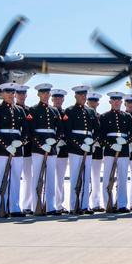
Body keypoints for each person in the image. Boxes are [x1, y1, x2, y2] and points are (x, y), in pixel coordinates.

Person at [0, 82, 28, 217]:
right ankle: (2, 206)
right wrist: (6, 146)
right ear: (2, 94)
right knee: (1, 178)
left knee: (17, 178)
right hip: (1, 149)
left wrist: (20, 142)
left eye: (12, 92)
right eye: (8, 92)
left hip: (17, 149)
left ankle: (15, 207)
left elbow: (26, 131)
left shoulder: (20, 110)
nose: (11, 95)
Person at [27, 83, 61, 215]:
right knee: (37, 177)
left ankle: (50, 206)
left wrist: (54, 142)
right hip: (38, 148)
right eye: (43, 93)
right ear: (38, 94)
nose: (46, 95)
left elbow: (60, 131)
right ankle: (37, 205)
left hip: (51, 149)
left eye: (47, 93)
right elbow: (31, 131)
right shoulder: (33, 110)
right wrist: (41, 144)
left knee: (51, 178)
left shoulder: (54, 111)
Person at [99, 92, 132, 213]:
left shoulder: (127, 116)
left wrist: (125, 142)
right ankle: (107, 203)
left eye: (118, 100)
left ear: (121, 102)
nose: (116, 102)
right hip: (110, 150)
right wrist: (111, 144)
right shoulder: (104, 117)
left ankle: (122, 204)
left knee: (123, 178)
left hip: (124, 150)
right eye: (114, 100)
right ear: (110, 102)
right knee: (107, 177)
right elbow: (101, 135)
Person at [65, 85, 98, 215]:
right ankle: (74, 205)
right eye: (80, 95)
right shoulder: (70, 111)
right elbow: (68, 132)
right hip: (75, 149)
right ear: (75, 96)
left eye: (84, 95)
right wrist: (79, 144)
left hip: (88, 148)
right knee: (75, 177)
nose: (83, 97)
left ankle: (84, 205)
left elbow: (97, 129)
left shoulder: (90, 111)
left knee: (86, 178)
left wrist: (92, 140)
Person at [14, 84, 34, 214]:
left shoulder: (30, 110)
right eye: (19, 93)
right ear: (15, 95)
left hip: (27, 149)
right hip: (13, 149)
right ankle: (12, 205)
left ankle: (27, 205)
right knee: (14, 178)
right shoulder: (12, 109)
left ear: (26, 95)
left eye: (23, 93)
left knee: (28, 178)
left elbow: (31, 129)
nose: (21, 96)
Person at [51, 89, 70, 213]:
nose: (58, 100)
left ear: (63, 100)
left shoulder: (66, 113)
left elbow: (69, 129)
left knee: (60, 179)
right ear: (52, 99)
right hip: (49, 148)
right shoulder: (49, 111)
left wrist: (64, 141)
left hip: (63, 149)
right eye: (55, 98)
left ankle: (59, 204)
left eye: (60, 98)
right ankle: (48, 203)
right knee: (49, 177)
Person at [86, 92, 105, 212]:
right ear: (87, 102)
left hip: (97, 149)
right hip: (85, 148)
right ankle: (85, 203)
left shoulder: (100, 116)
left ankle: (96, 203)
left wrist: (98, 142)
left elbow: (102, 132)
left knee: (96, 177)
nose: (93, 103)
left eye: (95, 101)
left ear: (98, 103)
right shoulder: (85, 114)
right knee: (86, 177)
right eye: (91, 101)